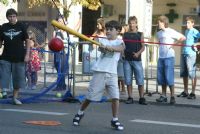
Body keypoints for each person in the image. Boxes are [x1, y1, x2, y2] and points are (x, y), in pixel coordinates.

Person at [72, 20, 125, 131]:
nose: (108, 31)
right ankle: (80, 113)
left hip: (112, 74)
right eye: (107, 29)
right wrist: (102, 45)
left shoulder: (119, 41)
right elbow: (99, 45)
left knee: (116, 97)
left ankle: (114, 119)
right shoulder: (102, 40)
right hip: (100, 71)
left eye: (111, 29)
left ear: (118, 31)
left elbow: (121, 48)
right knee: (90, 97)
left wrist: (111, 48)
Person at [0, 8, 30, 105]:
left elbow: (27, 41)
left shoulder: (21, 26)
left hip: (19, 57)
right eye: (10, 16)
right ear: (7, 17)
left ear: (16, 17)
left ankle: (15, 98)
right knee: (3, 78)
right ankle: (3, 92)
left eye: (14, 16)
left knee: (18, 79)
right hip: (5, 57)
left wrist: (27, 54)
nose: (12, 18)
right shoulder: (3, 27)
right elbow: (0, 43)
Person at [155, 15, 186, 104]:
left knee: (169, 77)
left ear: (164, 22)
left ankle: (172, 96)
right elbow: (159, 43)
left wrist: (174, 44)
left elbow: (183, 37)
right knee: (161, 78)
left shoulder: (171, 31)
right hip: (161, 57)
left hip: (169, 57)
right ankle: (163, 95)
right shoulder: (159, 33)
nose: (158, 24)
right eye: (158, 22)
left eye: (159, 22)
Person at [123, 16, 147, 105]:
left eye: (133, 23)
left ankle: (142, 97)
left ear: (136, 24)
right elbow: (123, 46)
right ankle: (130, 97)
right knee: (128, 80)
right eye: (130, 23)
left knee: (140, 79)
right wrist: (122, 53)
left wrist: (138, 53)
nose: (131, 25)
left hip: (137, 60)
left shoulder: (140, 34)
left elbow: (143, 46)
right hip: (127, 60)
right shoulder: (125, 34)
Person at [177, 16, 200, 99]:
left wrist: (196, 44)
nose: (187, 24)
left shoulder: (195, 31)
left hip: (191, 54)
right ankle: (185, 91)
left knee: (192, 73)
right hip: (184, 53)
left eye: (188, 22)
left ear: (193, 23)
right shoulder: (186, 31)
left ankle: (193, 93)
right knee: (184, 73)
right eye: (186, 22)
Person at [52, 15, 68, 91]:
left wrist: (62, 31)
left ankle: (60, 86)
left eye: (61, 21)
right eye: (58, 21)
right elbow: (53, 41)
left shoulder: (67, 31)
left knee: (61, 69)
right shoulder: (55, 31)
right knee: (58, 68)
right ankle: (62, 85)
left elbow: (66, 39)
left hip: (64, 52)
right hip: (57, 52)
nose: (59, 23)